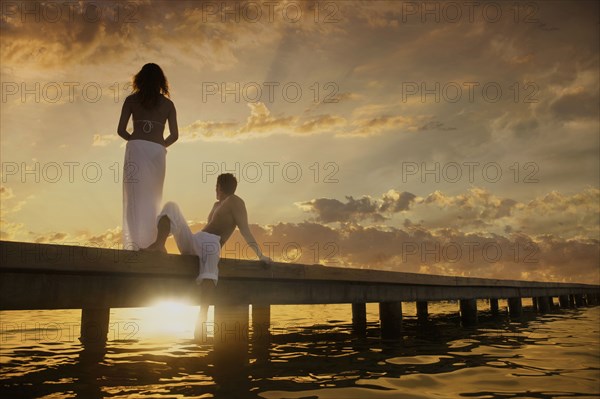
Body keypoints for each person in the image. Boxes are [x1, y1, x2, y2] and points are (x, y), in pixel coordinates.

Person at [145, 173, 272, 333]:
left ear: (219, 187)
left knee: (209, 273)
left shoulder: (235, 201)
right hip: (196, 240)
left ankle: (202, 318)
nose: (215, 190)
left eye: (216, 187)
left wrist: (261, 255)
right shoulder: (216, 205)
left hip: (213, 242)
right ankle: (159, 244)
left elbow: (245, 230)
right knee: (171, 206)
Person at [117, 63, 179, 250]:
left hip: (136, 149)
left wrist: (136, 142)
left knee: (134, 196)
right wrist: (159, 146)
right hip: (157, 152)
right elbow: (174, 135)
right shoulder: (168, 104)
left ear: (140, 79)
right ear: (161, 81)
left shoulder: (131, 101)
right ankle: (152, 242)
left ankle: (134, 244)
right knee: (153, 196)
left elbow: (120, 130)